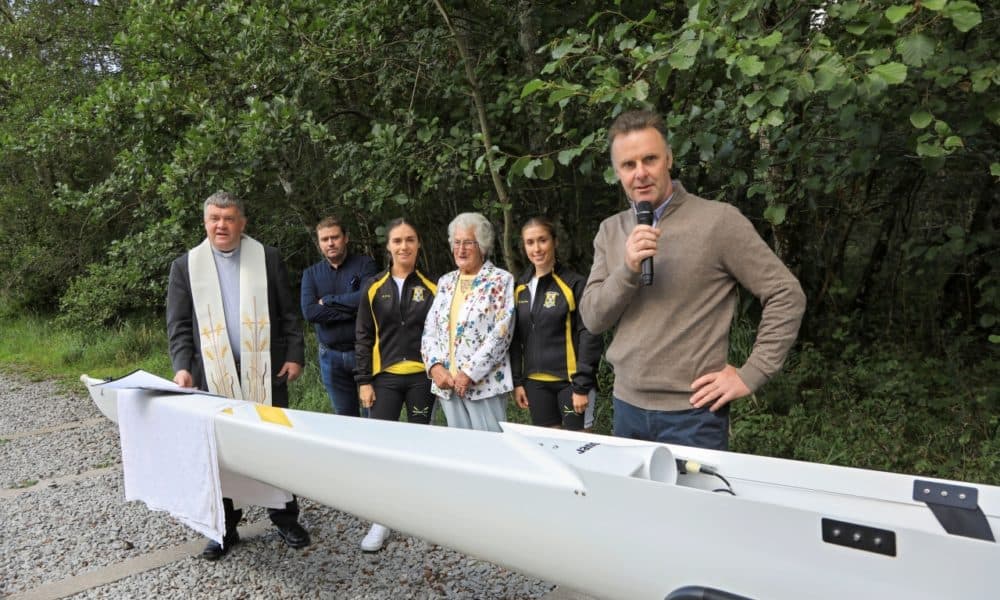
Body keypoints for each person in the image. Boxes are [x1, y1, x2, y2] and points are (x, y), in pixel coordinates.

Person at [579, 110, 806, 450]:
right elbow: (593, 318)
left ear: (668, 159)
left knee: (696, 505)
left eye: (650, 159)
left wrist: (751, 373)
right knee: (636, 506)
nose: (640, 173)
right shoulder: (611, 231)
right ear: (617, 173)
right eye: (628, 165)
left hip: (693, 415)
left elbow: (785, 293)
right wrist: (627, 269)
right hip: (626, 408)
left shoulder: (718, 222)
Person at [166, 191, 310, 560]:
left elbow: (288, 314)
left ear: (242, 222)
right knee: (220, 454)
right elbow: (179, 326)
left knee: (275, 445)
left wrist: (295, 354)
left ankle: (284, 518)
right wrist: (183, 367)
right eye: (214, 218)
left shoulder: (267, 258)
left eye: (229, 218)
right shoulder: (186, 266)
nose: (221, 225)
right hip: (211, 377)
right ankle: (225, 529)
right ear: (205, 222)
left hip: (265, 370)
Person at [354, 218, 437, 552]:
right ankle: (382, 519)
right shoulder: (374, 288)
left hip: (421, 379)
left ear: (418, 245)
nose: (404, 246)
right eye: (397, 241)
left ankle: (418, 516)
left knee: (419, 448)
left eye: (410, 240)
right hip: (384, 379)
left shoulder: (432, 288)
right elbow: (363, 336)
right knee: (383, 450)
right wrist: (364, 380)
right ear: (387, 247)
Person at [421, 212, 515, 433]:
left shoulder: (500, 280)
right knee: (460, 450)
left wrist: (469, 373)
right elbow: (429, 330)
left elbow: (502, 334)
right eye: (456, 242)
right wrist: (434, 367)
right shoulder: (445, 282)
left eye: (468, 243)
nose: (461, 249)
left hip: (483, 385)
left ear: (482, 246)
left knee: (490, 450)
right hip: (447, 385)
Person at [511, 217, 602, 430]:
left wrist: (581, 386)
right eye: (530, 242)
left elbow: (589, 334)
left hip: (571, 383)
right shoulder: (520, 287)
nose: (537, 248)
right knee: (550, 449)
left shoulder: (574, 283)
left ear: (555, 242)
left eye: (542, 240)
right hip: (535, 384)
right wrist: (517, 382)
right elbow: (515, 339)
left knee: (579, 448)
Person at [301, 216, 378, 417]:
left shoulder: (365, 265)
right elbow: (309, 312)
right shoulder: (311, 274)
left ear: (346, 238)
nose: (330, 243)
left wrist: (328, 301)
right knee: (344, 418)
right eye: (325, 239)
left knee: (373, 415)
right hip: (330, 357)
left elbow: (367, 300)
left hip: (364, 354)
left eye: (334, 237)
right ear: (319, 243)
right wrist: (351, 308)